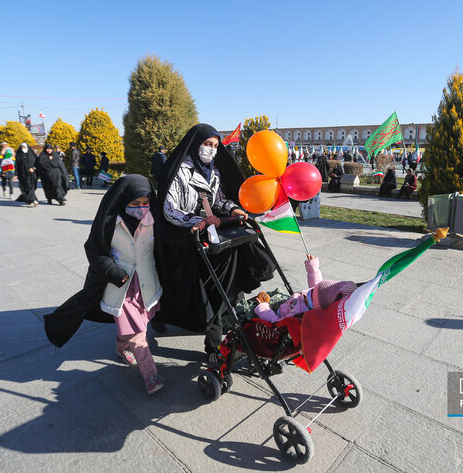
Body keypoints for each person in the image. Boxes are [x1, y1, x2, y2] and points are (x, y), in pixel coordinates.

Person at [155, 123, 276, 363]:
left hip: (211, 233)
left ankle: (229, 316)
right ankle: (213, 333)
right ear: (195, 144)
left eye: (215, 146)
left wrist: (233, 209)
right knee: (205, 283)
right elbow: (170, 210)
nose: (211, 150)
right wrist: (196, 220)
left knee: (235, 260)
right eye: (207, 144)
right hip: (185, 234)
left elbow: (219, 200)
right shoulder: (180, 171)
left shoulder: (214, 172)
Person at [44, 175, 164, 394]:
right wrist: (112, 270)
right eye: (135, 203)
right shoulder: (110, 222)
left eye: (145, 203)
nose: (141, 208)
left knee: (136, 324)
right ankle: (150, 374)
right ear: (123, 200)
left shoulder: (154, 220)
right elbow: (94, 249)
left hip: (146, 282)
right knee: (138, 332)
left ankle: (121, 345)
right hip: (120, 284)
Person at [15, 142, 39, 207]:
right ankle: (32, 200)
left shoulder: (32, 155)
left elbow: (37, 163)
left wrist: (33, 168)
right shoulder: (18, 155)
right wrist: (16, 174)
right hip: (22, 175)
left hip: (32, 174)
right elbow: (17, 165)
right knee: (25, 188)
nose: (23, 149)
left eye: (24, 147)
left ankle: (32, 200)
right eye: (22, 147)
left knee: (30, 187)